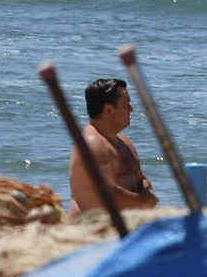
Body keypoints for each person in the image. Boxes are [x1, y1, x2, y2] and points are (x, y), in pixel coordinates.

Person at [67, 78, 158, 218]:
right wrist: (143, 201)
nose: (131, 109)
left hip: (125, 222)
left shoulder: (124, 142)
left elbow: (140, 178)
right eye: (126, 104)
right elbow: (108, 194)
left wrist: (148, 193)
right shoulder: (92, 144)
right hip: (92, 225)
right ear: (109, 109)